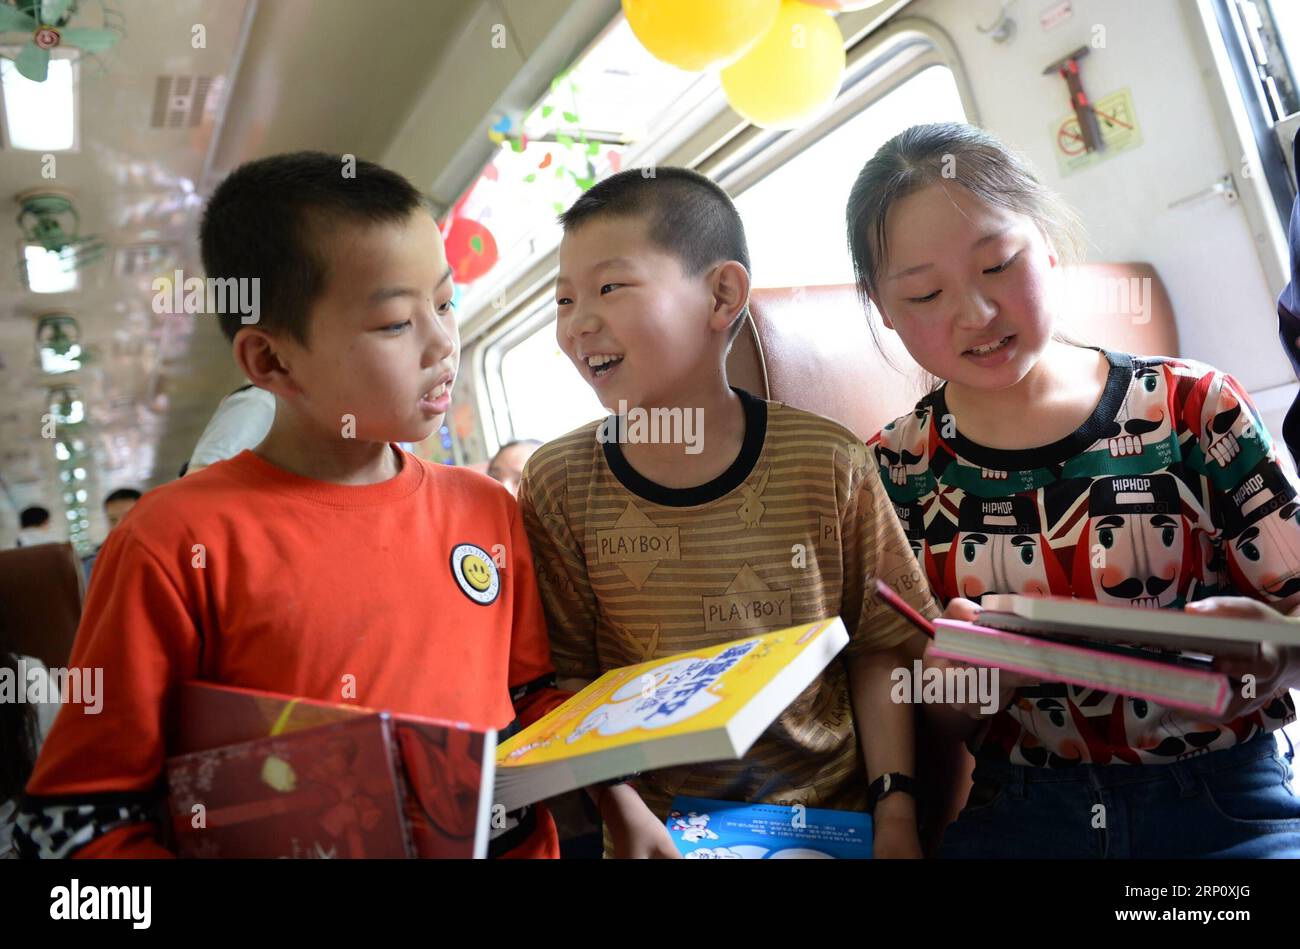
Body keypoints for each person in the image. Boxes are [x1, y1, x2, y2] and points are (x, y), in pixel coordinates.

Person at [17, 151, 566, 859]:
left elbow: (530, 703)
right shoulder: (173, 541)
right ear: (271, 361)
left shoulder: (486, 510)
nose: (441, 344)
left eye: (445, 302)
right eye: (397, 322)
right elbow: (82, 821)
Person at [850, 121, 1300, 857]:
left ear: (1047, 243)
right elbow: (929, 718)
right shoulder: (892, 472)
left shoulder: (1193, 408)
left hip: (1225, 801)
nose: (976, 313)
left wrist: (1278, 649)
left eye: (997, 264)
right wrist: (960, 689)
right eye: (926, 293)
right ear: (882, 307)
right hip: (1023, 816)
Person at [519, 167, 937, 858]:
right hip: (661, 829)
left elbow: (880, 645)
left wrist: (895, 808)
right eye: (564, 300)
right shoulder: (559, 482)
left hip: (829, 821)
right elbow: (571, 680)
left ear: (721, 295)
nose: (578, 322)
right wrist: (621, 813)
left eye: (609, 287)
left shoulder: (826, 460)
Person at [80, 488, 142, 582]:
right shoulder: (95, 565)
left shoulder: (160, 558)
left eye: (127, 517)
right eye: (113, 520)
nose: (119, 526)